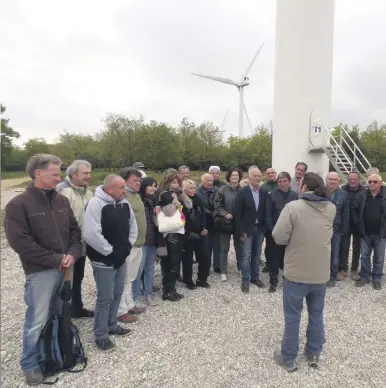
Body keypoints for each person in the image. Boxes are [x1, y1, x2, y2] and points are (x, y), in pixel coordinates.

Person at [4, 154, 82, 385]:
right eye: (55, 174)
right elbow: (21, 243)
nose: (60, 178)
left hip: (66, 268)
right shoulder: (18, 205)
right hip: (40, 272)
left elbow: (75, 232)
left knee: (60, 314)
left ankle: (55, 354)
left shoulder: (61, 200)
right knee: (37, 319)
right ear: (38, 172)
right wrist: (56, 258)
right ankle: (30, 364)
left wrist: (73, 254)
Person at [272, 172, 336, 372]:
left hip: (297, 272)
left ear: (304, 187)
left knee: (293, 315)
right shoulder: (331, 208)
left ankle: (288, 357)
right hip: (320, 272)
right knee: (316, 313)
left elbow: (278, 236)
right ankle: (314, 352)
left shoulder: (293, 207)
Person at [83, 175, 138, 351]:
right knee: (105, 297)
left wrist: (128, 246)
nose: (125, 191)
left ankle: (112, 324)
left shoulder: (124, 203)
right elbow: (91, 233)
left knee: (117, 292)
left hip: (120, 257)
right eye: (122, 187)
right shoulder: (95, 204)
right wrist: (110, 251)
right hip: (103, 260)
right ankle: (100, 334)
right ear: (110, 189)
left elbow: (132, 225)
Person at [56, 159, 94, 318]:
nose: (89, 176)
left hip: (83, 244)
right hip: (68, 246)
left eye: (89, 173)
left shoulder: (89, 192)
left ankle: (76, 309)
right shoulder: (64, 192)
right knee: (65, 280)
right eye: (85, 173)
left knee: (78, 277)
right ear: (74, 174)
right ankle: (61, 316)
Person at [117, 168, 147, 322]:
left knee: (131, 277)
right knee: (123, 278)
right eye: (135, 180)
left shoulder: (136, 195)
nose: (138, 183)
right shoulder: (123, 196)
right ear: (125, 181)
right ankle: (121, 310)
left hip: (139, 244)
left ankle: (129, 304)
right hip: (129, 245)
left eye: (139, 181)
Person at [157, 172, 193, 301]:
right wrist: (175, 201)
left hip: (179, 231)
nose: (176, 184)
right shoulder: (164, 194)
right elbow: (167, 212)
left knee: (175, 263)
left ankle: (171, 289)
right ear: (168, 182)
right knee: (171, 263)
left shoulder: (178, 194)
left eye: (177, 182)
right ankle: (167, 291)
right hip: (170, 232)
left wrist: (182, 195)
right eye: (173, 182)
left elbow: (189, 205)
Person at [235, 166, 268, 293]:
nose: (257, 178)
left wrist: (264, 227)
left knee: (256, 254)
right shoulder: (242, 192)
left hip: (259, 228)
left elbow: (265, 211)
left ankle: (255, 278)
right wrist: (241, 230)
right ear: (249, 177)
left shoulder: (264, 192)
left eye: (259, 176)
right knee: (245, 256)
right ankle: (245, 280)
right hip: (247, 229)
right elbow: (237, 214)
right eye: (255, 176)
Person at [265, 172, 298, 292]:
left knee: (288, 258)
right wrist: (272, 231)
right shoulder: (272, 195)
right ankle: (273, 282)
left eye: (284, 181)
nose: (282, 184)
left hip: (290, 233)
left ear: (289, 182)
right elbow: (268, 214)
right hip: (275, 232)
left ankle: (288, 280)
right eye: (280, 181)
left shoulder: (295, 196)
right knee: (274, 258)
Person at [352, 174, 386, 290]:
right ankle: (365, 277)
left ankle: (376, 278)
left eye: (375, 182)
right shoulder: (362, 195)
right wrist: (358, 223)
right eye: (370, 181)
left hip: (380, 233)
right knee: (365, 256)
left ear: (380, 183)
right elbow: (354, 210)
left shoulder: (385, 195)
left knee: (379, 257)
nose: (372, 183)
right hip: (365, 233)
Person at [132, 177, 159, 306]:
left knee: (150, 268)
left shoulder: (154, 200)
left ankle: (148, 294)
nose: (153, 188)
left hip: (153, 238)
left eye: (155, 186)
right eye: (150, 186)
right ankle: (136, 296)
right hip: (141, 240)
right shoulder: (138, 200)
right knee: (138, 269)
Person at [214, 167, 243, 281]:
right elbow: (217, 205)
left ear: (239, 177)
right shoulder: (222, 189)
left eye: (237, 175)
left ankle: (240, 269)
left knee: (239, 248)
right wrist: (224, 214)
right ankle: (223, 271)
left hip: (239, 224)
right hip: (225, 222)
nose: (235, 177)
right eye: (232, 175)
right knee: (224, 248)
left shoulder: (243, 190)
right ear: (229, 177)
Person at [181, 179, 210, 288]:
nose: (193, 190)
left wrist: (204, 228)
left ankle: (202, 279)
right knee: (187, 259)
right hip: (186, 233)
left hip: (200, 232)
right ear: (184, 189)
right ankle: (188, 280)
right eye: (190, 188)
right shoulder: (181, 201)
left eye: (194, 188)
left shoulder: (198, 199)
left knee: (205, 257)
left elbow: (203, 215)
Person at [340, 171, 366, 280]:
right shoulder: (342, 190)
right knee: (344, 247)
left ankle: (354, 269)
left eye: (355, 179)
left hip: (358, 224)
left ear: (358, 179)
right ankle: (343, 269)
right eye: (351, 179)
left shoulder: (364, 191)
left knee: (357, 248)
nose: (353, 181)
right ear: (348, 179)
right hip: (345, 223)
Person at [325, 172, 350, 287]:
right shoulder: (321, 192)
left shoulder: (343, 194)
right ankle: (321, 275)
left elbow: (346, 213)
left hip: (336, 230)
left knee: (335, 254)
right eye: (330, 179)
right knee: (322, 254)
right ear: (326, 180)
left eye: (335, 179)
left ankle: (332, 276)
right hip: (322, 230)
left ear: (338, 181)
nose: (333, 181)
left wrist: (343, 230)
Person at [197, 173, 220, 273]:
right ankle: (206, 265)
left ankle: (217, 265)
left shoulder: (217, 190)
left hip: (216, 221)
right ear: (203, 181)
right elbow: (199, 206)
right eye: (208, 180)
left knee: (217, 245)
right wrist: (211, 213)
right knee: (206, 246)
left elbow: (219, 202)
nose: (210, 182)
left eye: (211, 180)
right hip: (204, 221)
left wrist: (216, 212)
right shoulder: (198, 192)